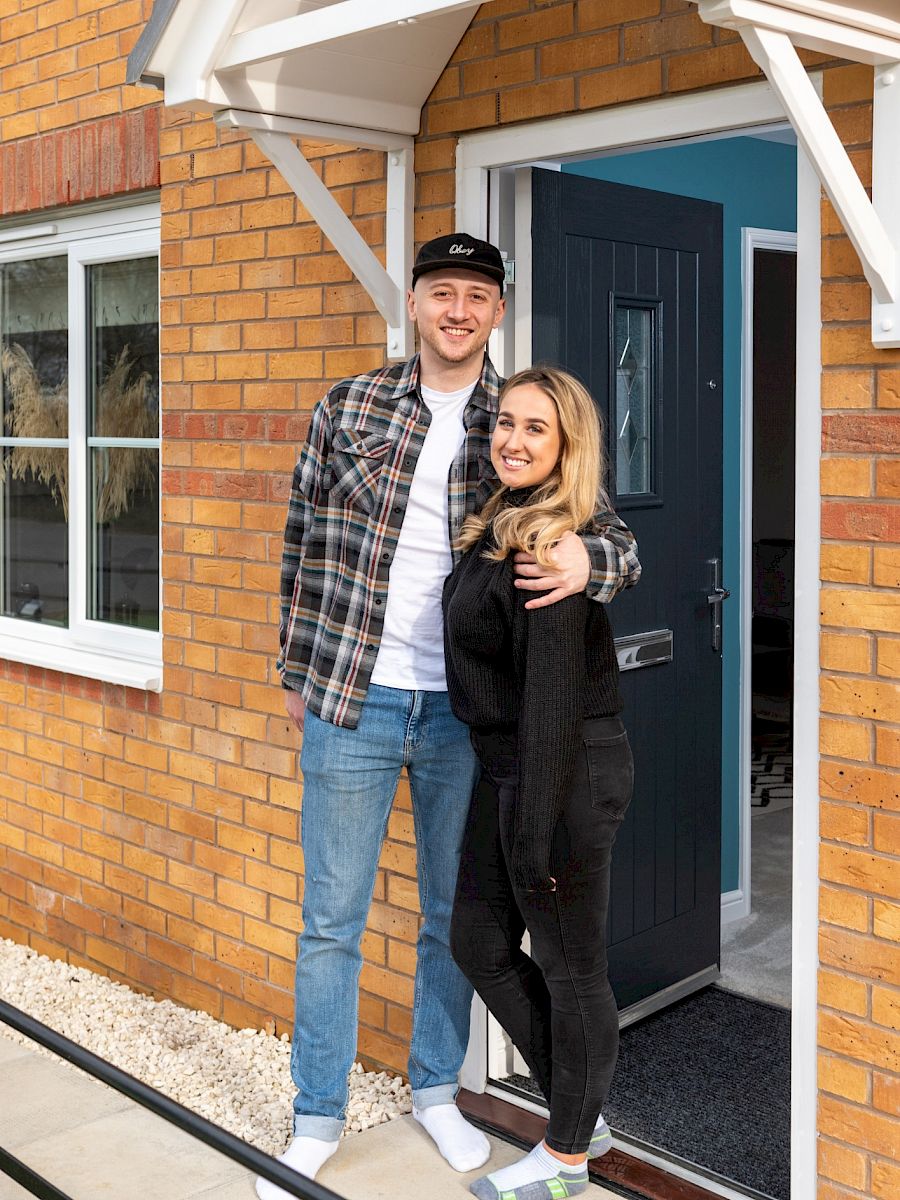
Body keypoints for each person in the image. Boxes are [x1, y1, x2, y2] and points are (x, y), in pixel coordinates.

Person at [260, 234, 640, 1199]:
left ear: (497, 310)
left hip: (469, 719)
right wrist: (297, 667)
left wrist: (591, 565)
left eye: (478, 294)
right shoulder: (347, 406)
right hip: (354, 697)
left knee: (449, 919)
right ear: (417, 303)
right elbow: (302, 538)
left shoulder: (521, 416)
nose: (458, 310)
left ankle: (435, 1086)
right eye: (442, 292)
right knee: (330, 920)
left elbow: (612, 534)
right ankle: (316, 1116)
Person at [443, 366, 634, 1200]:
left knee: (570, 965)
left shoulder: (552, 542)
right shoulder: (501, 515)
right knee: (479, 943)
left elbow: (553, 699)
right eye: (507, 423)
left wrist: (535, 828)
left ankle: (564, 1163)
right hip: (510, 766)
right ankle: (579, 1111)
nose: (514, 441)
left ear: (568, 447)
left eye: (537, 429)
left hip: (560, 773)